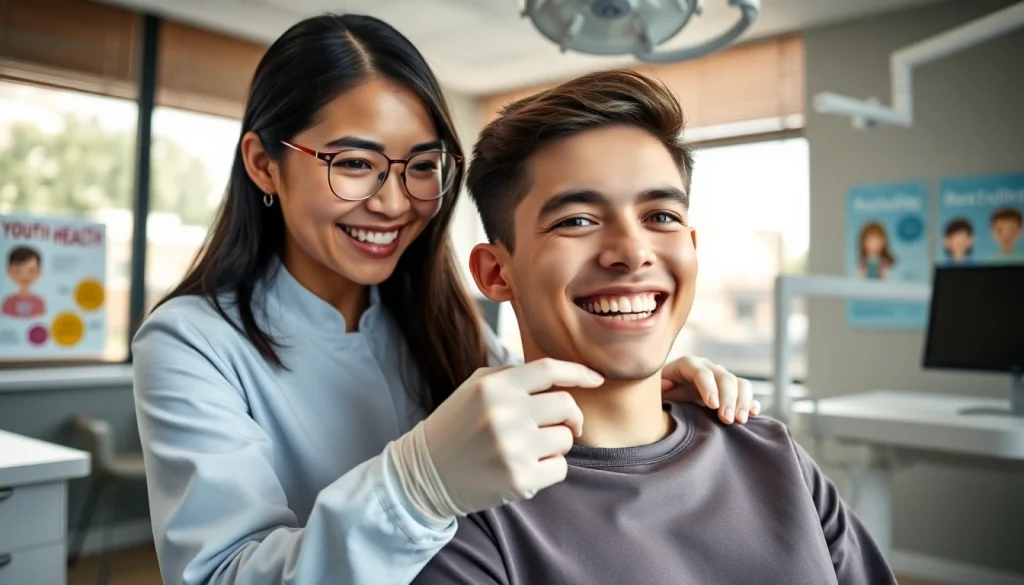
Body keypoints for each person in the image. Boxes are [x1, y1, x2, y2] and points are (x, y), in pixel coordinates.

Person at [130, 14, 762, 585]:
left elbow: (534, 426)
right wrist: (415, 486)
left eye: (422, 166)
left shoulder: (449, 324)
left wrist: (637, 386)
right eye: (354, 163)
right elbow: (220, 578)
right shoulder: (193, 342)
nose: (394, 201)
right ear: (264, 165)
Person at [412, 68, 896, 585]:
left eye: (660, 216)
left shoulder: (775, 457)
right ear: (496, 272)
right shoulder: (469, 521)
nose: (633, 252)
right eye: (577, 220)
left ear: (691, 246)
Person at [2, 245, 46, 318]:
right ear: (9, 271)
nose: (24, 276)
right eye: (17, 271)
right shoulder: (8, 303)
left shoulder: (39, 303)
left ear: (38, 272)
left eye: (31, 271)